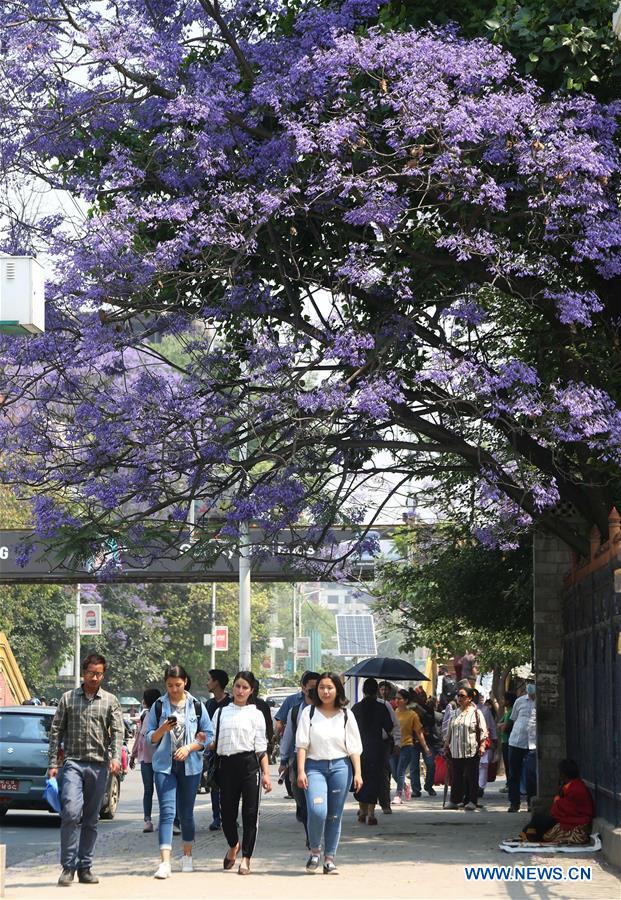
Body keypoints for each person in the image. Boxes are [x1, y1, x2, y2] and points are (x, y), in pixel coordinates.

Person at [48, 652, 124, 887]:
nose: (94, 677)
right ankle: (67, 867)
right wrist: (52, 763)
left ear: (103, 674)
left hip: (99, 766)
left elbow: (118, 731)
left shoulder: (110, 700)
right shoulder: (68, 698)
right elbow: (56, 731)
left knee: (91, 819)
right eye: (91, 673)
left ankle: (85, 866)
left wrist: (115, 757)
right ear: (83, 673)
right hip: (73, 764)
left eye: (99, 673)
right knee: (71, 813)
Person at [146, 664, 212, 879]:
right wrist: (163, 728)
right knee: (166, 813)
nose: (174, 689)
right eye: (170, 685)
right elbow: (150, 739)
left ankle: (187, 855)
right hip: (164, 766)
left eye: (178, 685)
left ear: (185, 683)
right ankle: (165, 862)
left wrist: (190, 747)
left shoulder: (197, 706)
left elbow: (209, 736)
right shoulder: (158, 706)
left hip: (190, 765)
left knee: (186, 814)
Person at [296, 672, 363, 874]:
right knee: (318, 811)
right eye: (322, 687)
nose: (325, 691)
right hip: (314, 768)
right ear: (316, 690)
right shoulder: (308, 713)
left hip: (340, 768)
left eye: (330, 687)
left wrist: (358, 773)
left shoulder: (346, 715)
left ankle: (329, 859)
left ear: (337, 690)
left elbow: (354, 747)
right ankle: (315, 851)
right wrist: (300, 771)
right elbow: (301, 745)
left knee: (334, 815)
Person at [211, 670, 272, 876]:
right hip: (226, 765)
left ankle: (246, 857)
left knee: (250, 814)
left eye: (245, 687)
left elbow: (261, 747)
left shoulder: (256, 714)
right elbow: (212, 741)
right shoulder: (221, 712)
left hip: (249, 765)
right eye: (237, 686)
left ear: (251, 690)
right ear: (232, 687)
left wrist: (265, 774)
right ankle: (233, 844)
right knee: (226, 813)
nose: (240, 690)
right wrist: (203, 740)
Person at [278, 670, 320, 843]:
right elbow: (287, 736)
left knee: (317, 803)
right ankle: (310, 832)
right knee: (302, 800)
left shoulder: (328, 709)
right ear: (303, 688)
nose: (315, 691)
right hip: (298, 762)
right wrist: (283, 760)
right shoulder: (295, 710)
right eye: (311, 687)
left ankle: (316, 832)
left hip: (321, 761)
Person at [518, 759, 595, 845]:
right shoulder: (572, 786)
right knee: (538, 819)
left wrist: (558, 799)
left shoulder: (575, 789)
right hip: (570, 818)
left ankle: (528, 835)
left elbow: (564, 808)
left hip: (577, 821)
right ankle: (526, 835)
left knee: (540, 822)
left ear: (563, 775)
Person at [352, 678, 393, 824]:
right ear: (377, 691)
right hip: (376, 749)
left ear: (363, 691)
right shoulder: (381, 707)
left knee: (360, 778)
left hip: (358, 750)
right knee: (374, 780)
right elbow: (389, 726)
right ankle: (371, 813)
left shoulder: (355, 709)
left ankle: (362, 811)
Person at [443, 686, 488, 811]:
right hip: (456, 750)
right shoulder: (454, 713)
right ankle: (454, 801)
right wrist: (446, 746)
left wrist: (483, 746)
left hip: (471, 750)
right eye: (458, 695)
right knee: (456, 777)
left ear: (469, 698)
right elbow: (449, 732)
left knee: (472, 777)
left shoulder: (476, 713)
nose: (459, 698)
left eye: (462, 696)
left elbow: (483, 731)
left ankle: (472, 801)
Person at [129, 687, 161, 832]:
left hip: (161, 760)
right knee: (148, 790)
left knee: (162, 791)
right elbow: (139, 739)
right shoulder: (144, 716)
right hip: (145, 760)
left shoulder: (162, 716)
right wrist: (133, 755)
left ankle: (166, 820)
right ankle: (147, 820)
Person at [391, 688, 431, 803]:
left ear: (406, 700)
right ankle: (404, 786)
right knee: (394, 772)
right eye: (396, 698)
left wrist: (426, 748)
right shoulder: (393, 713)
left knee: (400, 771)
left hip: (407, 745)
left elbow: (419, 732)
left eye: (400, 699)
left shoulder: (412, 714)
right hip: (394, 746)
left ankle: (398, 795)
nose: (397, 701)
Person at [205, 668, 230, 831]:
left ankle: (229, 817)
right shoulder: (209, 704)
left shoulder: (231, 704)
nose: (207, 683)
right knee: (214, 785)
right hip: (214, 753)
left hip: (230, 752)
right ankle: (216, 818)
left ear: (217, 683)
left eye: (210, 679)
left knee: (230, 789)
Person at [275, 674, 307, 798]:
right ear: (303, 686)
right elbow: (279, 722)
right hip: (295, 753)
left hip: (318, 758)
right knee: (297, 790)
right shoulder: (291, 702)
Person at [507, 682, 537, 812]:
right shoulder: (519, 702)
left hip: (533, 744)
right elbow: (513, 719)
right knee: (514, 774)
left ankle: (531, 802)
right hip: (516, 741)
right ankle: (514, 803)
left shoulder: (540, 703)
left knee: (531, 774)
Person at [377, 685, 401, 813]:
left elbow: (395, 725)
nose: (383, 691)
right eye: (381, 689)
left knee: (384, 774)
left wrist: (397, 743)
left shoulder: (386, 705)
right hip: (366, 745)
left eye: (385, 689)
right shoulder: (361, 706)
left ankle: (385, 803)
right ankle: (365, 806)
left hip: (383, 745)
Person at [475, 691, 497, 799]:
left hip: (483, 740)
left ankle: (480, 787)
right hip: (472, 741)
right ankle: (477, 787)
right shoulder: (464, 710)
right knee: (480, 766)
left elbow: (491, 726)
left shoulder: (485, 710)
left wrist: (493, 739)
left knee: (482, 765)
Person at [498, 692, 516, 793]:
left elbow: (505, 727)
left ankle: (510, 785)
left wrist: (501, 725)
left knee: (509, 765)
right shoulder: (507, 711)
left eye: (503, 699)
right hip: (505, 740)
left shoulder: (511, 712)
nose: (502, 701)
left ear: (508, 701)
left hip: (509, 741)